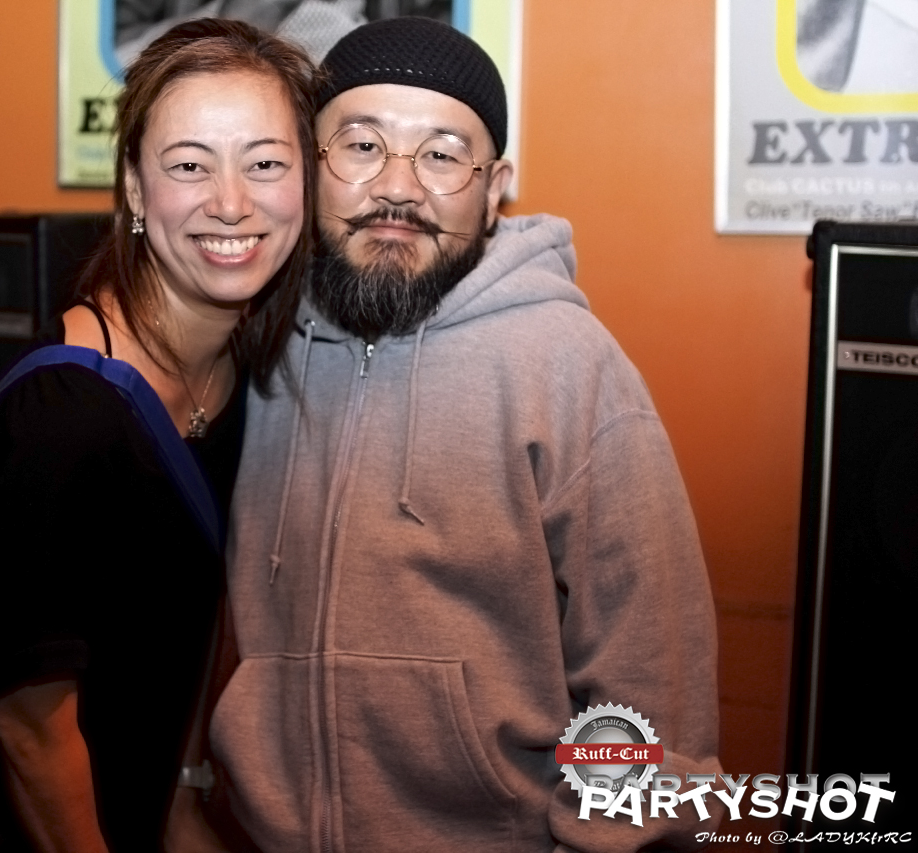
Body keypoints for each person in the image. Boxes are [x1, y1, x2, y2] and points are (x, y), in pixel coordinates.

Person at [208, 17, 722, 852]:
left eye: (444, 155)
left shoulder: (568, 365)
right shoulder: (257, 343)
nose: (398, 187)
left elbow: (648, 678)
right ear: (310, 163)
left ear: (494, 188)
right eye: (362, 145)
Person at [0, 18, 316, 852]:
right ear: (136, 189)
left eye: (265, 163)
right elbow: (31, 731)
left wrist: (180, 793)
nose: (231, 201)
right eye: (189, 165)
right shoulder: (63, 421)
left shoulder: (236, 371)